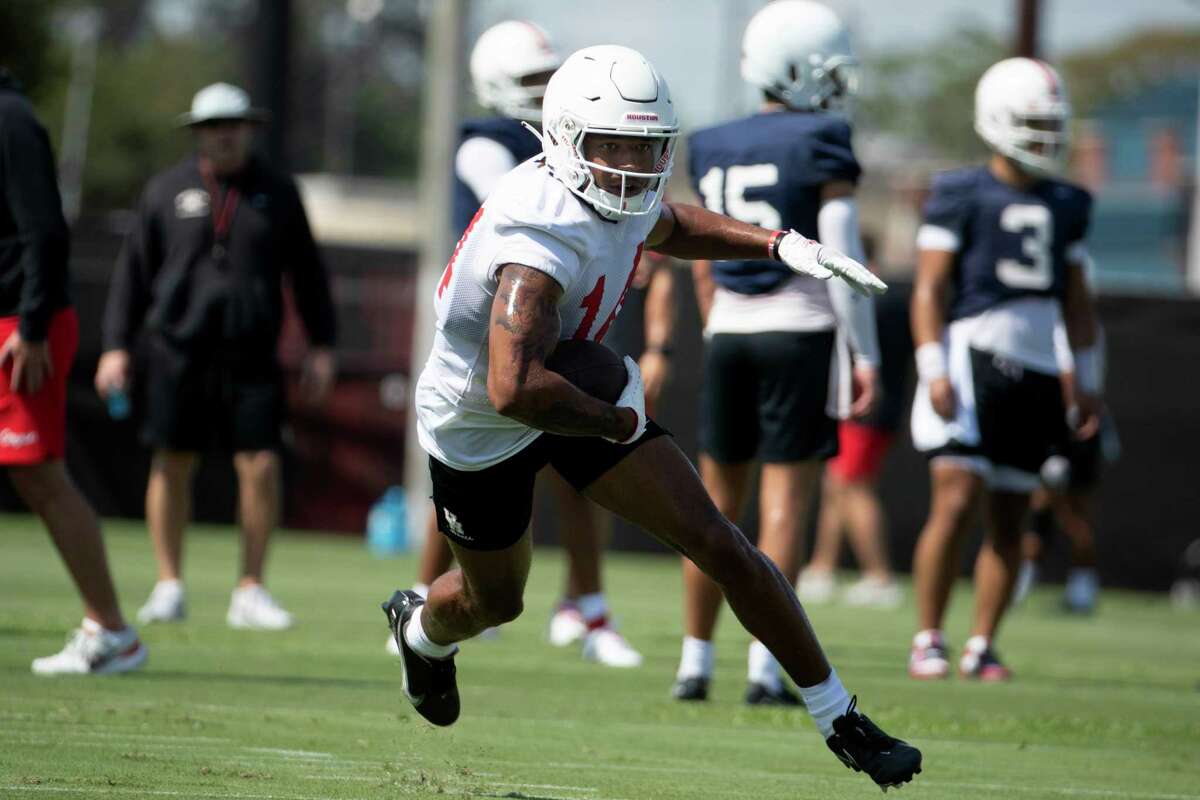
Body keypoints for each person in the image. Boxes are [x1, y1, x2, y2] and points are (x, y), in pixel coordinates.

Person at [381, 44, 921, 791]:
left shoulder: (612, 189)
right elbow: (513, 390)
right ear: (569, 139)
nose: (635, 161)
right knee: (496, 599)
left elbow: (670, 224)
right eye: (616, 144)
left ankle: (840, 717)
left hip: (568, 386)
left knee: (719, 541)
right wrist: (616, 423)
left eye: (648, 143)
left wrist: (780, 242)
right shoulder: (536, 238)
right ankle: (421, 631)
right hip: (480, 423)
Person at [404, 21, 653, 667]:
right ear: (493, 86)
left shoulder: (573, 140)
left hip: (566, 317)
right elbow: (532, 223)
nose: (543, 91)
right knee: (467, 488)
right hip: (505, 332)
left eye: (549, 78)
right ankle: (428, 598)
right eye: (529, 81)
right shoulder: (487, 144)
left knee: (575, 477)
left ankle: (586, 605)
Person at [673, 0, 882, 705]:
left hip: (730, 329)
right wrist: (866, 353)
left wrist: (713, 318)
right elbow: (842, 254)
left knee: (709, 507)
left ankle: (693, 661)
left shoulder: (711, 140)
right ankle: (767, 669)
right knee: (785, 505)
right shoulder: (824, 136)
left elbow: (698, 244)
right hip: (800, 327)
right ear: (794, 69)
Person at [96, 83, 338, 631]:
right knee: (171, 461)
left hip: (252, 351)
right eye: (212, 126)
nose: (224, 134)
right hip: (176, 350)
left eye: (233, 124)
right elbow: (132, 274)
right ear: (197, 133)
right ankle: (168, 584)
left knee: (260, 463)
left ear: (249, 129)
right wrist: (115, 345)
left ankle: (250, 589)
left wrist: (322, 343)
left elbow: (308, 273)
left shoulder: (278, 192)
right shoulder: (164, 191)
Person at [908, 57, 1102, 681]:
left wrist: (1087, 377)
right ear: (996, 121)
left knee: (1012, 513)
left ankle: (981, 644)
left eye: (1052, 125)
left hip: (1039, 361)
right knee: (956, 496)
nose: (1046, 138)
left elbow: (1076, 300)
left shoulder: (1069, 201)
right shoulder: (961, 190)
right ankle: (928, 637)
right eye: (1032, 124)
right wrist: (933, 364)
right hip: (970, 354)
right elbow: (930, 289)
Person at [0, 67, 147, 675]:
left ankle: (113, 632)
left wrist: (33, 326)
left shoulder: (9, 116)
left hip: (20, 326)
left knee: (39, 475)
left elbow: (44, 228)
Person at [799, 245, 911, 610]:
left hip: (866, 411)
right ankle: (822, 567)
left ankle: (880, 576)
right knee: (837, 486)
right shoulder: (878, 302)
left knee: (852, 487)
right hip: (862, 410)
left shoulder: (872, 302)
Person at [1012, 321, 1118, 613]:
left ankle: (1076, 585)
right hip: (1067, 425)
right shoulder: (1073, 323)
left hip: (1073, 429)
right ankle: (1029, 576)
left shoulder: (1072, 325)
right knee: (1042, 506)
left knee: (1064, 506)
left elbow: (1071, 376)